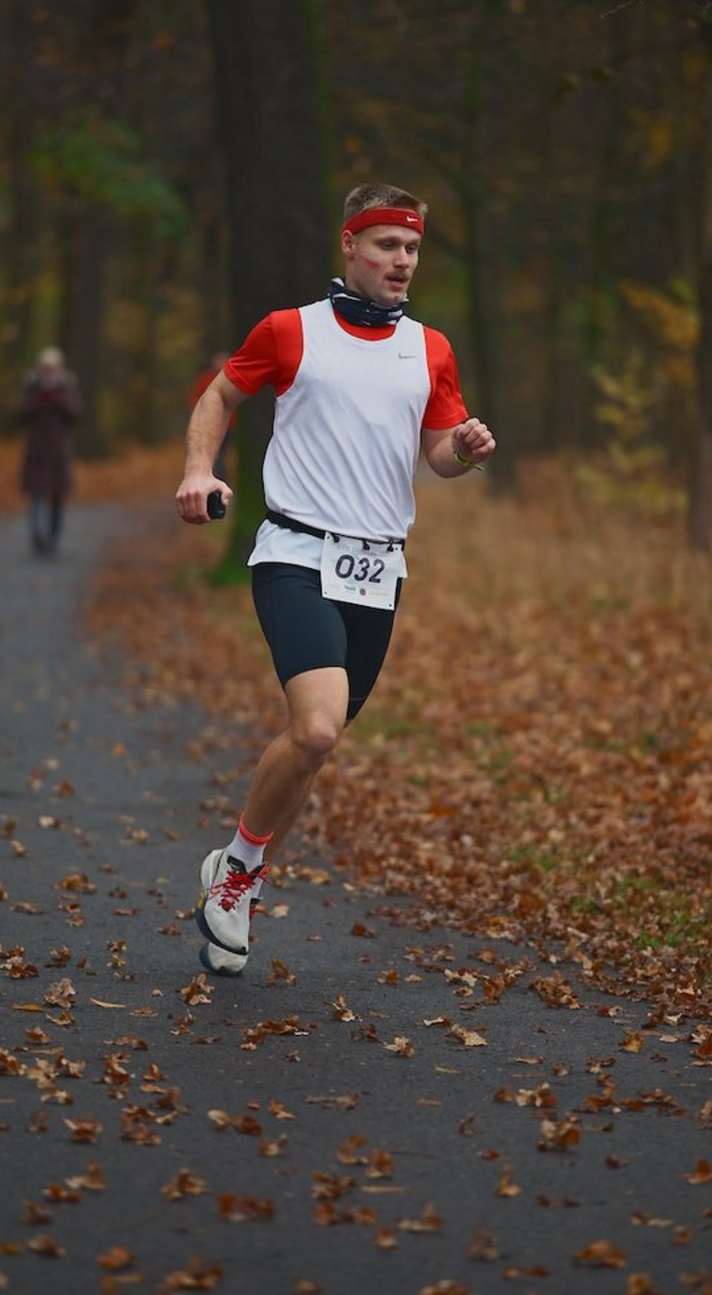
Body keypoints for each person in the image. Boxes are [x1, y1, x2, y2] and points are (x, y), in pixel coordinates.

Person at [175, 183, 496, 976]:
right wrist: (198, 469)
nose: (402, 260)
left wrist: (465, 451)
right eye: (387, 245)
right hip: (295, 550)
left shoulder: (430, 348)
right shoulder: (291, 331)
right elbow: (221, 393)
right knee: (316, 727)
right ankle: (239, 875)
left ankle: (238, 867)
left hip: (378, 567)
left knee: (312, 748)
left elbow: (438, 454)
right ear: (350, 244)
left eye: (412, 248)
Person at [18, 348, 83, 554]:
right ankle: (37, 536)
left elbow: (76, 413)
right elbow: (20, 414)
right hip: (36, 451)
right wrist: (38, 401)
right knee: (36, 495)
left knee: (57, 497)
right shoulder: (32, 387)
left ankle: (53, 538)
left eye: (53, 367)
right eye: (46, 367)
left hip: (59, 453)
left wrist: (57, 400)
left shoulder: (67, 387)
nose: (49, 371)